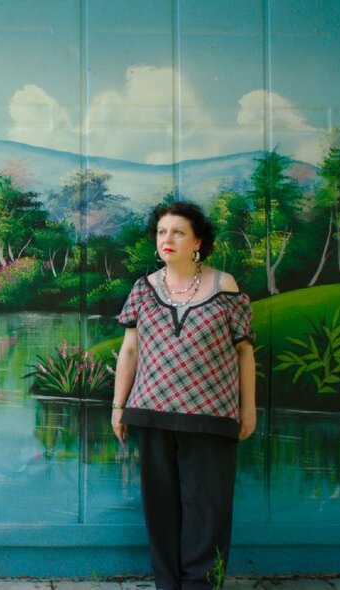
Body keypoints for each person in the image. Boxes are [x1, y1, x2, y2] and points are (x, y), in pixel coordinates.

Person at [111, 200, 256, 590]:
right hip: (151, 413)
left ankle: (201, 586)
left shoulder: (224, 286)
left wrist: (248, 408)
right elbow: (130, 351)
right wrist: (118, 407)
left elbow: (244, 351)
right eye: (161, 232)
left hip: (212, 416)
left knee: (207, 510)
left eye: (177, 231)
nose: (167, 239)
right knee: (161, 510)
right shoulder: (143, 289)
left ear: (198, 241)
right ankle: (167, 584)